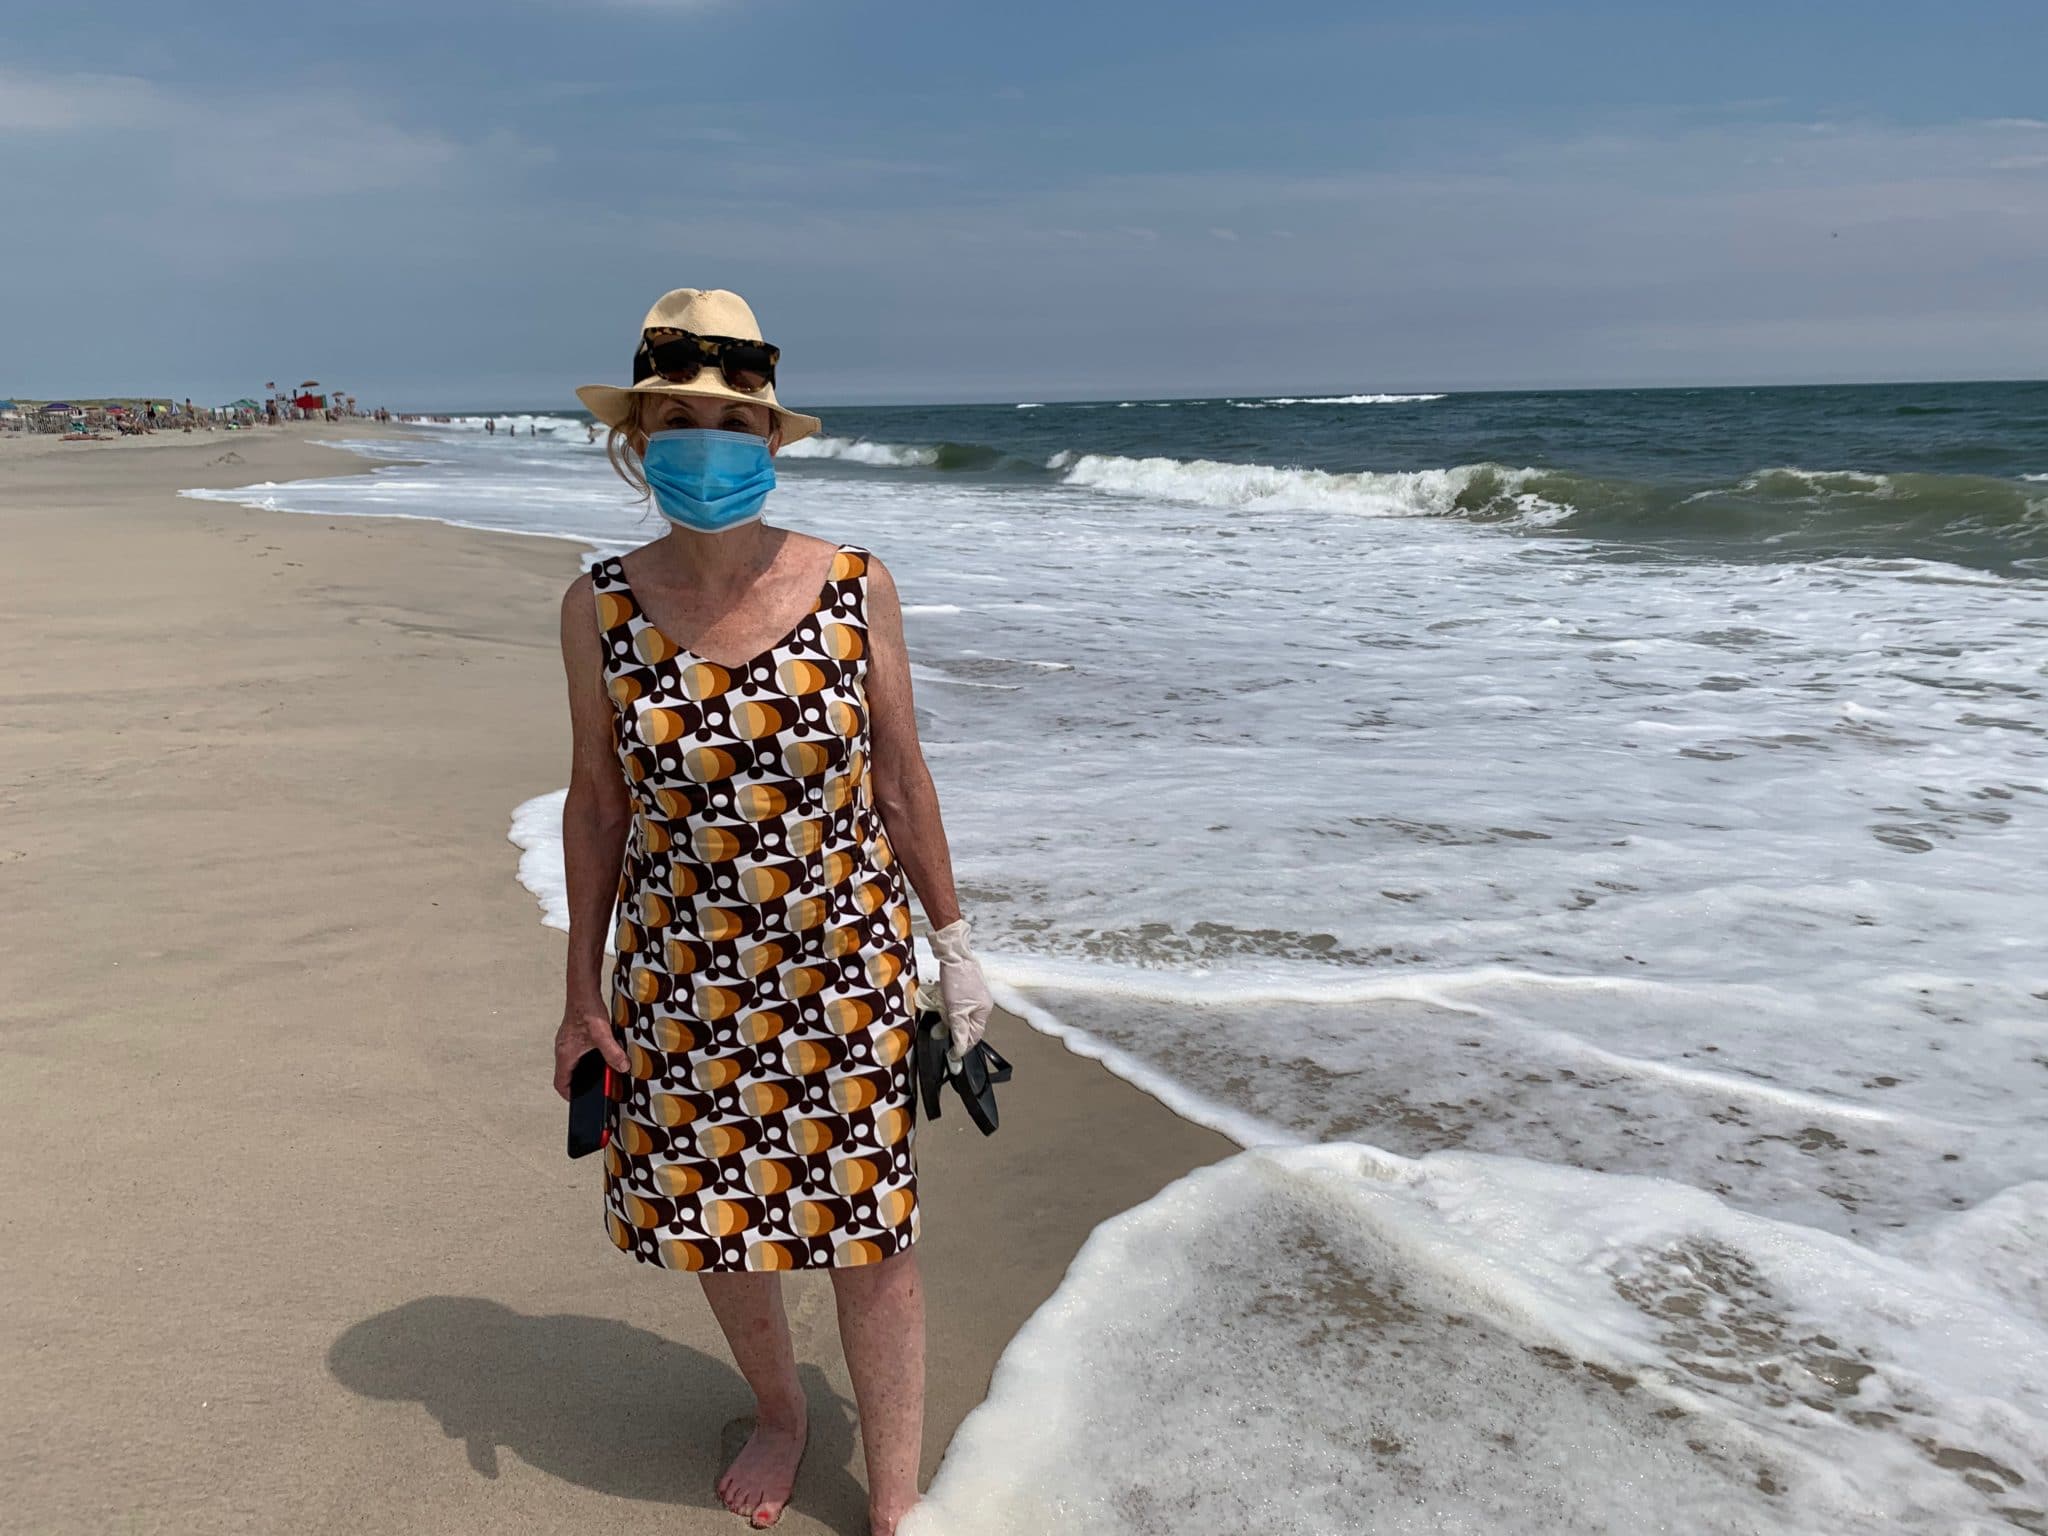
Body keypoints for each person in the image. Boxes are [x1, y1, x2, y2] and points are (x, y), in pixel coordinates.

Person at [553, 287, 993, 1533]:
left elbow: (902, 781)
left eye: (731, 420)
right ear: (637, 440)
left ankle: (894, 1494)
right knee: (717, 1218)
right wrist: (579, 994)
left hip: (843, 966)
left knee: (870, 1230)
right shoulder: (600, 609)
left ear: (771, 441)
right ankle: (782, 1412)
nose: (707, 441)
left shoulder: (856, 587)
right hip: (677, 977)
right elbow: (597, 808)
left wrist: (953, 949)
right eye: (678, 418)